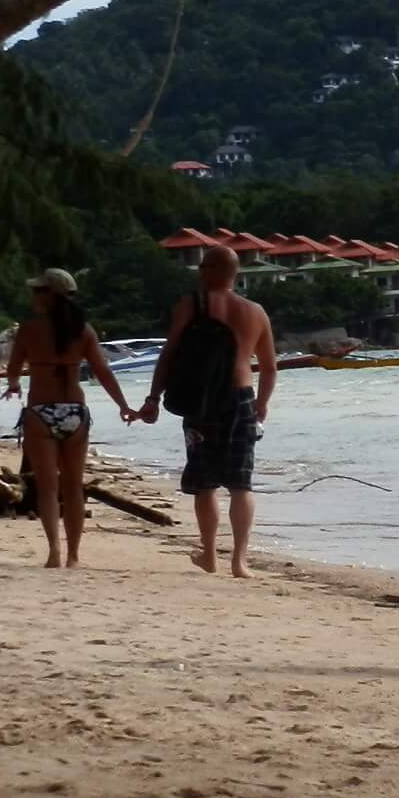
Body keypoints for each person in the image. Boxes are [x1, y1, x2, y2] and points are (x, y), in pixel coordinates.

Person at [133, 244, 275, 578]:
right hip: (241, 399)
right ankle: (239, 561)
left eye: (202, 267)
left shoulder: (191, 305)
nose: (198, 273)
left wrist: (154, 397)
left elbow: (169, 354)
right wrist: (262, 404)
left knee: (205, 482)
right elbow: (269, 367)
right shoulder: (255, 312)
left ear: (210, 270)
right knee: (242, 483)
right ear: (235, 273)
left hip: (200, 401)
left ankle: (210, 555)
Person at [4, 269, 133, 569]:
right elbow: (103, 372)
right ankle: (74, 555)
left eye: (38, 291)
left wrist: (12, 385)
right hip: (75, 413)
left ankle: (54, 552)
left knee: (48, 488)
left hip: (40, 413)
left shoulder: (29, 330)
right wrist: (124, 405)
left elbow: (13, 368)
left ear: (50, 294)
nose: (33, 296)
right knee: (74, 487)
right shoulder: (84, 331)